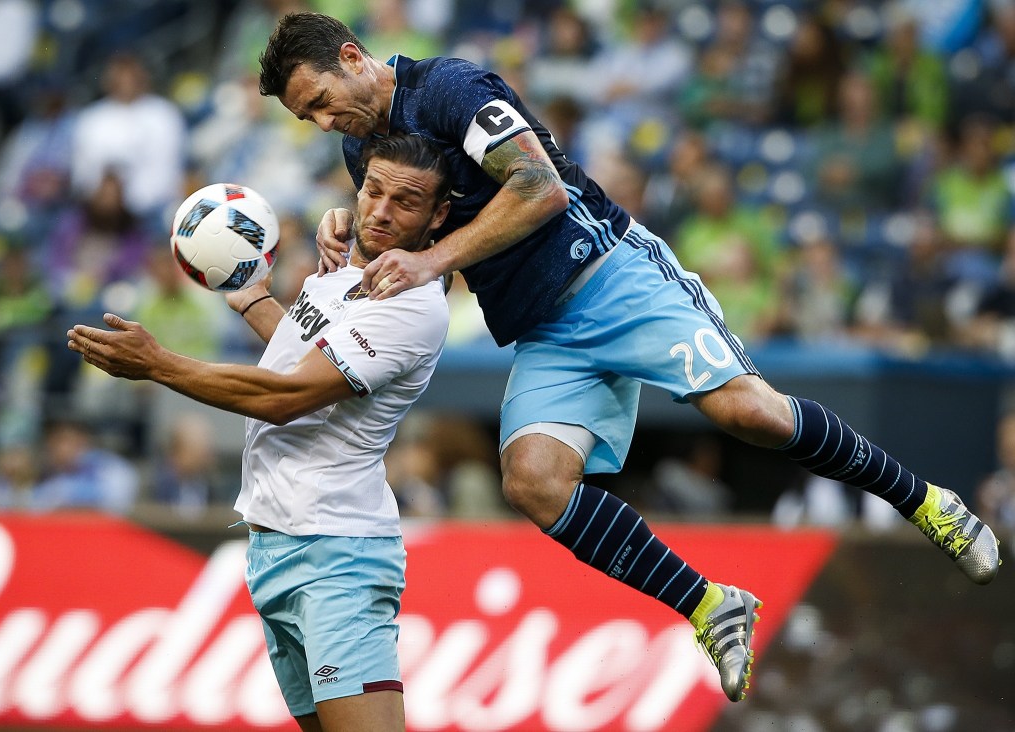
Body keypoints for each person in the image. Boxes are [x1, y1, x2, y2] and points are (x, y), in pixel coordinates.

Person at [258, 12, 1001, 703]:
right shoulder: (361, 147)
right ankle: (710, 604)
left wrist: (430, 260)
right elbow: (414, 245)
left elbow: (540, 188)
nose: (324, 122)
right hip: (544, 327)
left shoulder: (449, 89)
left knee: (749, 413)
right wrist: (352, 234)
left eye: (321, 101)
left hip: (611, 274)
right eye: (306, 117)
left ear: (352, 57)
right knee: (534, 483)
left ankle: (927, 503)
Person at [67, 133, 453, 732]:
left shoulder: (412, 304)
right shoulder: (346, 268)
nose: (380, 212)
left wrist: (158, 364)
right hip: (277, 544)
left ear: (439, 215)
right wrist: (253, 299)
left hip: (336, 554)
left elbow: (287, 397)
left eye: (405, 202)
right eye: (372, 190)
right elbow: (300, 356)